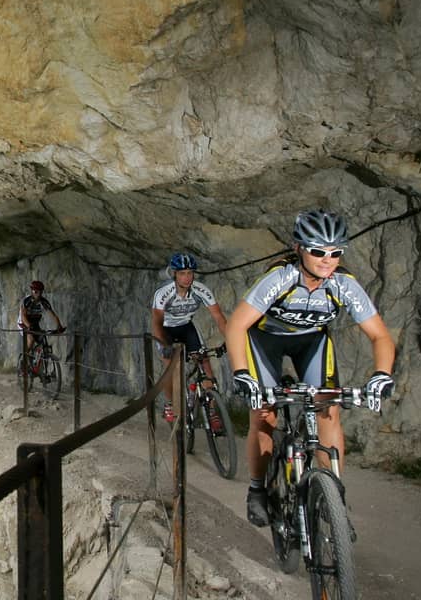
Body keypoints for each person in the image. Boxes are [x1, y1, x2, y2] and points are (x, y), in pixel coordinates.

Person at [226, 209, 396, 527]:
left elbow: (380, 335)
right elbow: (236, 326)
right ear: (299, 248)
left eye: (335, 253)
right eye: (318, 251)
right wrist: (242, 373)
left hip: (312, 342)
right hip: (266, 340)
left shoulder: (343, 284)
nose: (327, 260)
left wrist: (382, 374)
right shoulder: (280, 278)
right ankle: (257, 490)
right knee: (265, 414)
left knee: (327, 411)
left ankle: (333, 497)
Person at [151, 252, 228, 422]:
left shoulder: (201, 290)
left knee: (205, 362)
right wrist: (165, 346)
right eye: (182, 273)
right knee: (169, 366)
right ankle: (171, 403)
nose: (187, 278)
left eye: (190, 273)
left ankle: (213, 412)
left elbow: (219, 318)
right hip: (166, 329)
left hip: (186, 327)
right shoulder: (163, 293)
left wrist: (231, 340)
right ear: (174, 274)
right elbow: (156, 323)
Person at [18, 280, 65, 357]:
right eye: (36, 292)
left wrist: (59, 326)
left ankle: (36, 359)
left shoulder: (44, 302)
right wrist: (29, 326)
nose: (38, 294)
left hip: (34, 323)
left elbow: (53, 315)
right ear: (32, 291)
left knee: (42, 340)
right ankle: (24, 359)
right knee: (31, 340)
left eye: (40, 292)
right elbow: (23, 316)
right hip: (24, 322)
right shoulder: (27, 301)